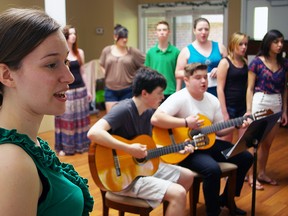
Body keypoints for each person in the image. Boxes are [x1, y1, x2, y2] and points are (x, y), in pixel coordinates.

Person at [0, 8, 93, 215]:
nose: (69, 77)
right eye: (51, 64)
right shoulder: (13, 164)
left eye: (66, 62)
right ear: (7, 75)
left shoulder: (28, 143)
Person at [87, 67, 194, 216]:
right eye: (159, 93)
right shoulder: (123, 110)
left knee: (188, 176)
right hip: (122, 178)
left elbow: (146, 148)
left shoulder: (148, 112)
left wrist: (176, 149)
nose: (162, 97)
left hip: (140, 170)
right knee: (179, 193)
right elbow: (93, 132)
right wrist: (129, 148)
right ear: (144, 93)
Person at [151, 63, 253, 216]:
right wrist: (185, 122)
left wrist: (236, 125)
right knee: (212, 169)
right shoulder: (179, 98)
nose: (203, 81)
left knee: (245, 157)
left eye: (205, 77)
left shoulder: (212, 100)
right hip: (185, 149)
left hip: (207, 144)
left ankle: (226, 198)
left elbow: (219, 130)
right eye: (198, 78)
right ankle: (213, 212)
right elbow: (156, 118)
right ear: (186, 80)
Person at [246, 29, 288, 189]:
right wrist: (249, 111)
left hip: (277, 101)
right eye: (276, 42)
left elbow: (285, 87)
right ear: (268, 43)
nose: (279, 45)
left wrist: (284, 110)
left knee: (268, 143)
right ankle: (251, 175)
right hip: (260, 101)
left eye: (281, 42)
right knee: (255, 142)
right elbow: (249, 88)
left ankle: (261, 172)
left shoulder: (284, 63)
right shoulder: (256, 62)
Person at [54, 25, 92, 156]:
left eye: (75, 34)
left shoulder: (79, 52)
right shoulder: (62, 53)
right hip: (67, 90)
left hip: (80, 89)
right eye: (71, 34)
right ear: (65, 36)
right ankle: (66, 147)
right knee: (67, 119)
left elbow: (83, 72)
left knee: (81, 119)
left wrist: (88, 90)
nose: (74, 36)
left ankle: (81, 145)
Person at [175, 17, 227, 96]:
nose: (203, 32)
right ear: (194, 31)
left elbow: (230, 67)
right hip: (194, 93)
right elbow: (178, 73)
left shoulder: (220, 47)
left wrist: (220, 69)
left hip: (217, 92)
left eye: (206, 29)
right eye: (200, 29)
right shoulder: (186, 51)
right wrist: (196, 74)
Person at [99, 24, 145, 112]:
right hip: (110, 90)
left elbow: (146, 62)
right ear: (115, 37)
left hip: (128, 90)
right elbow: (101, 63)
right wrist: (106, 73)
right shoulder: (107, 50)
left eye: (126, 37)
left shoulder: (132, 51)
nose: (124, 39)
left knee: (126, 117)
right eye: (122, 37)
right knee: (112, 118)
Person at [217, 32, 249, 143]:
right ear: (233, 44)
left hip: (242, 106)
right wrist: (224, 111)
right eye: (240, 44)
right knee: (226, 142)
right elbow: (220, 88)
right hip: (229, 106)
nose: (244, 47)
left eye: (245, 44)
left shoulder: (245, 62)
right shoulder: (225, 62)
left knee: (243, 141)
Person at [145, 20, 180, 100]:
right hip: (154, 91)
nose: (162, 32)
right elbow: (147, 73)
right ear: (156, 33)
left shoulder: (176, 52)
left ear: (169, 32)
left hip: (171, 91)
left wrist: (178, 91)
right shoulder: (150, 52)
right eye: (159, 30)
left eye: (164, 30)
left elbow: (179, 74)